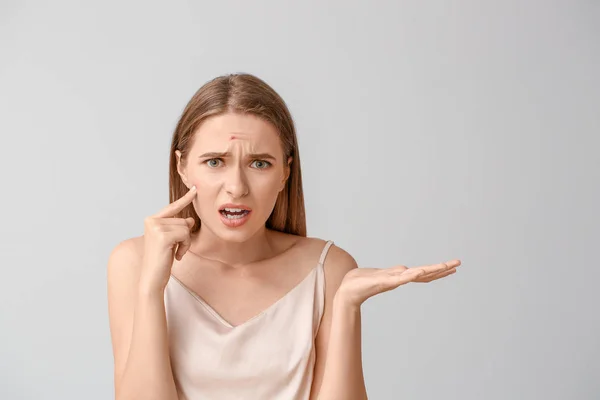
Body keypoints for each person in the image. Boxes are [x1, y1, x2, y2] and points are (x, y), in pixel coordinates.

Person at [106, 73, 461, 400]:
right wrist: (151, 289)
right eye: (215, 162)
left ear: (285, 173)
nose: (236, 187)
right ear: (183, 167)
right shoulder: (134, 263)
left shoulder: (329, 269)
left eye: (260, 163)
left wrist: (347, 305)